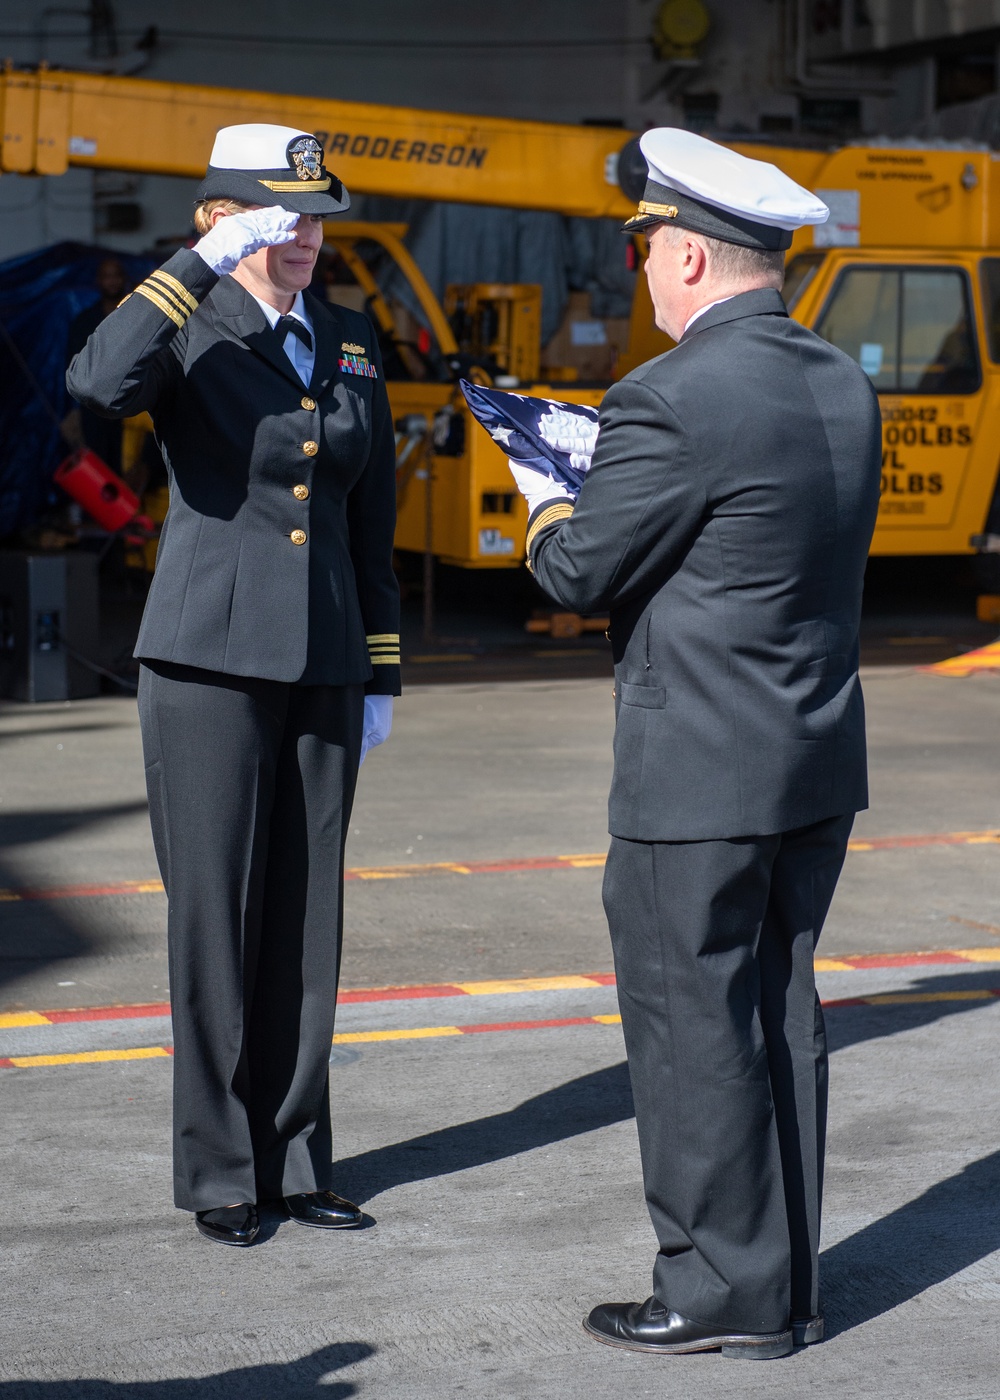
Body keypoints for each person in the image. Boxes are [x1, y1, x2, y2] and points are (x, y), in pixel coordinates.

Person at [507, 129, 882, 1358]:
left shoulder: (667, 396)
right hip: (808, 749)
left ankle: (716, 1288)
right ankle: (784, 1286)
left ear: (680, 254)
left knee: (688, 1030)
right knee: (778, 1013)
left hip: (696, 774)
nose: (642, 277)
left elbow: (580, 568)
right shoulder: (839, 379)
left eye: (643, 256)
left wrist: (545, 483)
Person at [67, 124, 400, 1248]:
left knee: (309, 922)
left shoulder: (350, 339)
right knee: (218, 918)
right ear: (223, 216)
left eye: (315, 214)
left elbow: (369, 519)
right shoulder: (188, 325)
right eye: (281, 213)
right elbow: (99, 382)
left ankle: (295, 1157)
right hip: (207, 661)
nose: (306, 233)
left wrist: (382, 665)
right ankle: (219, 1168)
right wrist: (199, 264)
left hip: (326, 662)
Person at [65, 257, 129, 474]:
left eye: (116, 276)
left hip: (131, 405)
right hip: (95, 407)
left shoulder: (134, 315)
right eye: (106, 276)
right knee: (98, 470)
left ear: (123, 279)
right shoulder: (85, 321)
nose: (112, 282)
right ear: (98, 281)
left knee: (127, 465)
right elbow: (74, 365)